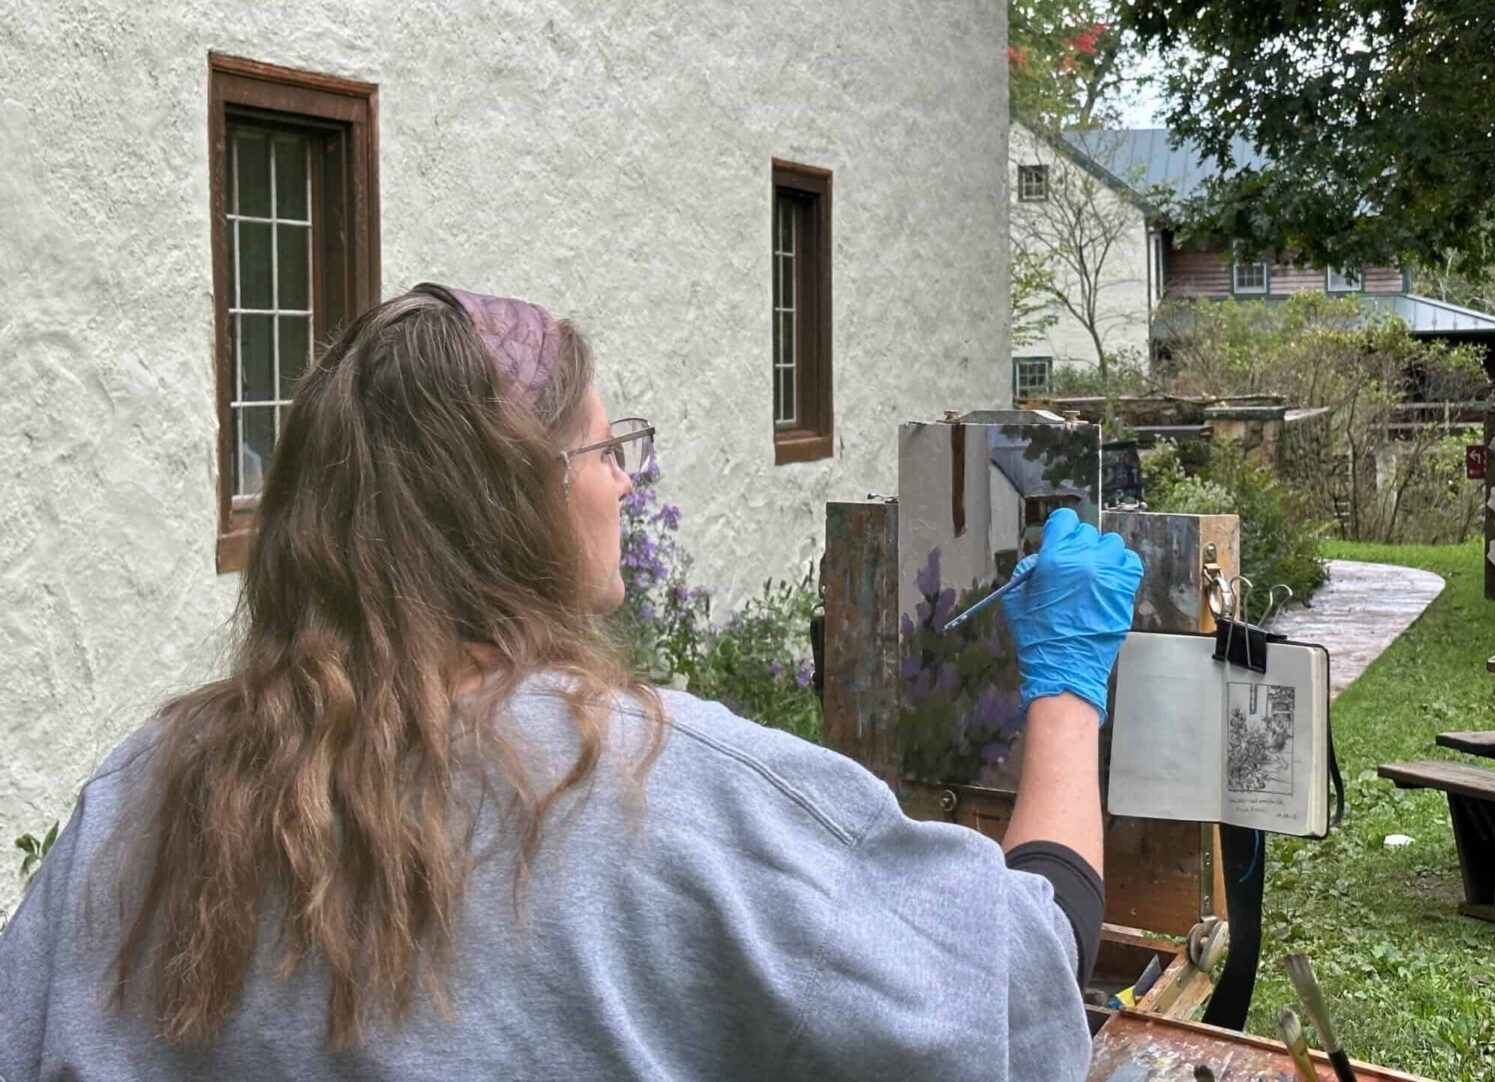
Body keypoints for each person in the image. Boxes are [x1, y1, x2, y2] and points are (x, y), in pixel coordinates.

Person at [0, 284, 1143, 1080]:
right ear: (519, 500)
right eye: (603, 451)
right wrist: (1067, 681)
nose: (623, 486)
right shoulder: (668, 791)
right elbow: (1022, 994)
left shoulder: (137, 791)